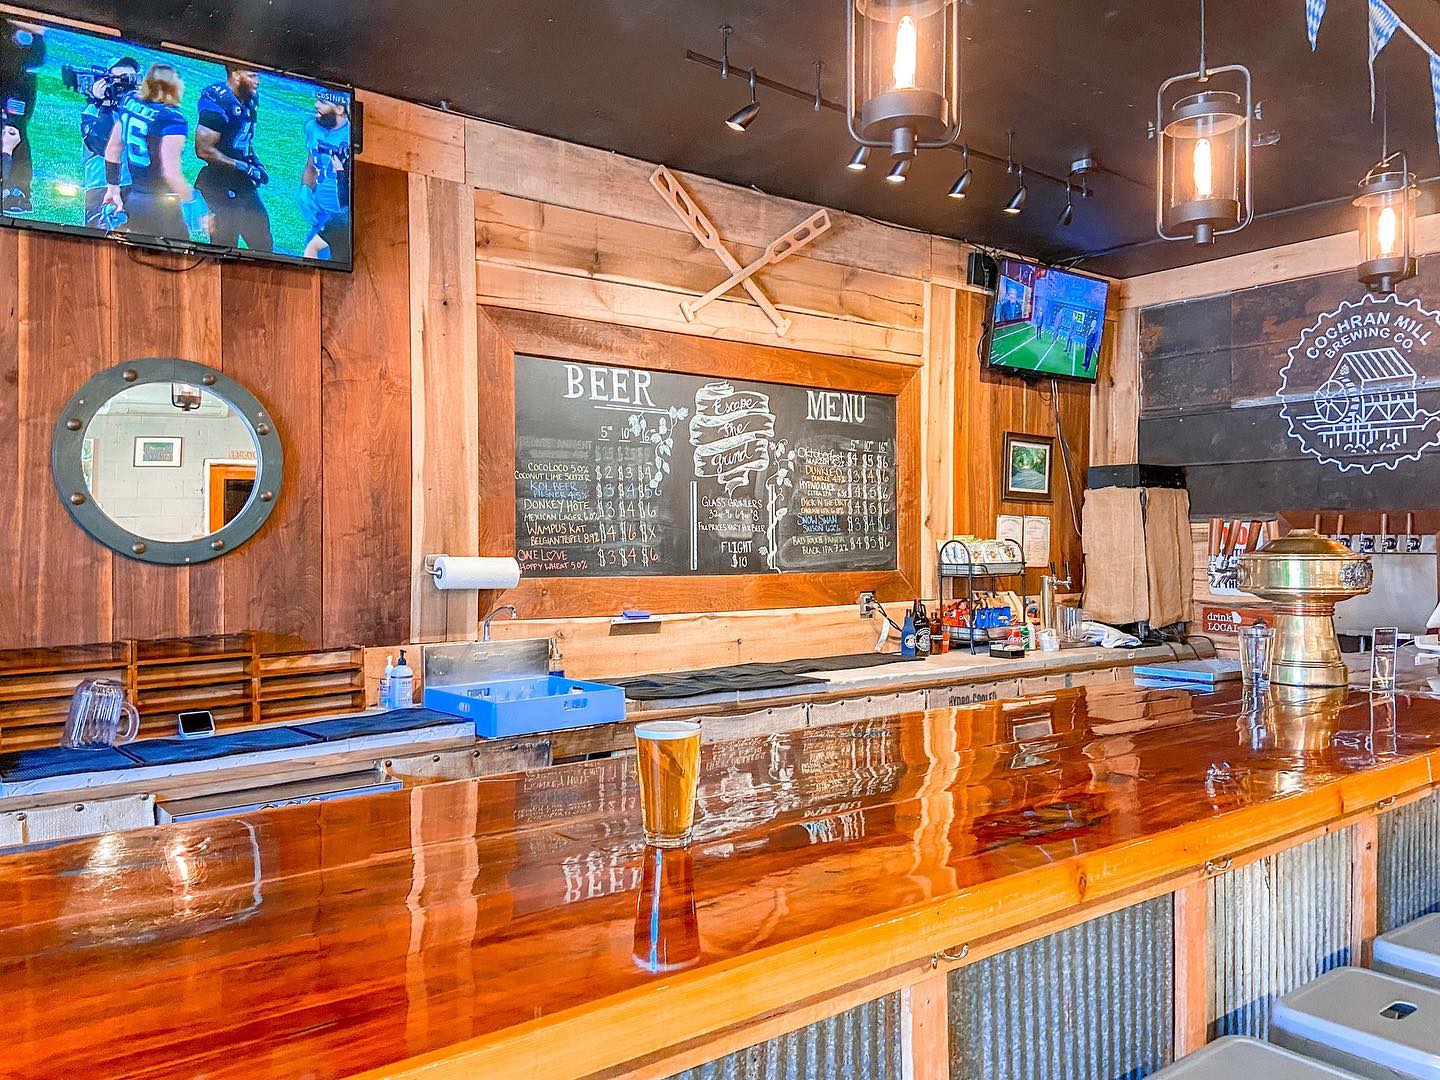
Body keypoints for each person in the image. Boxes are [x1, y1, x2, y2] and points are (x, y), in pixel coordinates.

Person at [102, 63, 192, 241]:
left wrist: (113, 189)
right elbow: (170, 173)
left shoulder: (130, 101)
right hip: (162, 204)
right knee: (180, 255)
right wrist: (194, 204)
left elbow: (113, 148)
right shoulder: (172, 118)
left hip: (133, 199)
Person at [194, 62, 271, 251]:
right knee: (225, 247)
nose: (258, 81)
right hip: (217, 184)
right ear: (236, 75)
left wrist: (255, 163)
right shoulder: (217, 101)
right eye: (252, 76)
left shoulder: (250, 99)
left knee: (263, 244)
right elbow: (203, 150)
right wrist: (243, 167)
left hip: (242, 183)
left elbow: (243, 138)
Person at [79, 56, 140, 229]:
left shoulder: (140, 113)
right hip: (101, 186)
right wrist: (105, 105)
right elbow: (100, 145)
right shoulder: (93, 111)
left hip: (135, 187)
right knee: (100, 237)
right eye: (119, 80)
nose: (124, 86)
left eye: (130, 80)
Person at [299, 88, 351, 262]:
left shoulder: (350, 136)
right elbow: (311, 165)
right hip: (320, 213)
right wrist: (305, 190)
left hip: (341, 217)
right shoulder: (312, 127)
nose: (316, 105)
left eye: (323, 102)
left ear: (340, 109)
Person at [0, 20, 44, 214]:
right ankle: (16, 192)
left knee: (15, 130)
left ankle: (18, 192)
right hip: (15, 85)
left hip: (15, 90)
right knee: (15, 132)